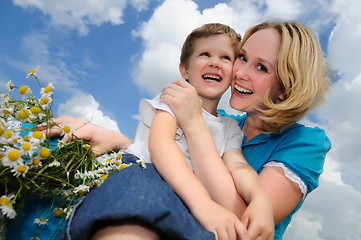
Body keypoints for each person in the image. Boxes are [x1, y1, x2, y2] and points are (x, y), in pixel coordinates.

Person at [48, 20, 331, 240]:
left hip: (202, 222)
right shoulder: (199, 109)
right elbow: (161, 151)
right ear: (185, 68)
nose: (240, 72)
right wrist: (118, 140)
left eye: (261, 67)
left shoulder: (303, 141)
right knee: (135, 198)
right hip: (162, 192)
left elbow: (240, 220)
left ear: (287, 87)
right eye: (242, 57)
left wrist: (259, 201)